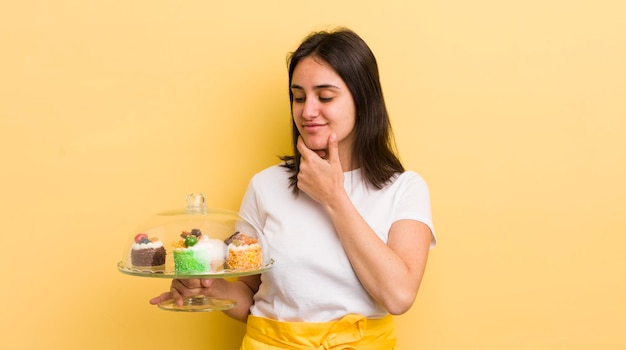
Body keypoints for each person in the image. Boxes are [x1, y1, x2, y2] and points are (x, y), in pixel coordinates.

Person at [150, 27, 436, 349]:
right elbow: (250, 294)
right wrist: (207, 288)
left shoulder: (404, 189)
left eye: (325, 97)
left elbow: (398, 296)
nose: (307, 111)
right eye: (298, 97)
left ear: (363, 99)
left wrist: (333, 197)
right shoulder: (265, 186)